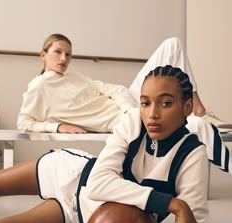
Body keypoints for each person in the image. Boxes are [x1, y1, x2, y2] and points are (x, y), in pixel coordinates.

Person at [0, 65, 208, 223]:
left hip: (76, 217)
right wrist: (174, 204)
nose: (152, 113)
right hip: (71, 173)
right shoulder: (134, 121)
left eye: (165, 103)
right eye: (145, 102)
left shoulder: (192, 154)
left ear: (187, 107)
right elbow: (98, 184)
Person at [17, 34, 232, 174]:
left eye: (69, 54)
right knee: (195, 127)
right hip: (123, 119)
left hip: (131, 103)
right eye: (58, 52)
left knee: (172, 45)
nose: (64, 58)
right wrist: (57, 126)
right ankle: (201, 123)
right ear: (43, 54)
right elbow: (24, 122)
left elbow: (115, 89)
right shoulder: (39, 86)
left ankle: (200, 110)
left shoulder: (76, 77)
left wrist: (134, 107)